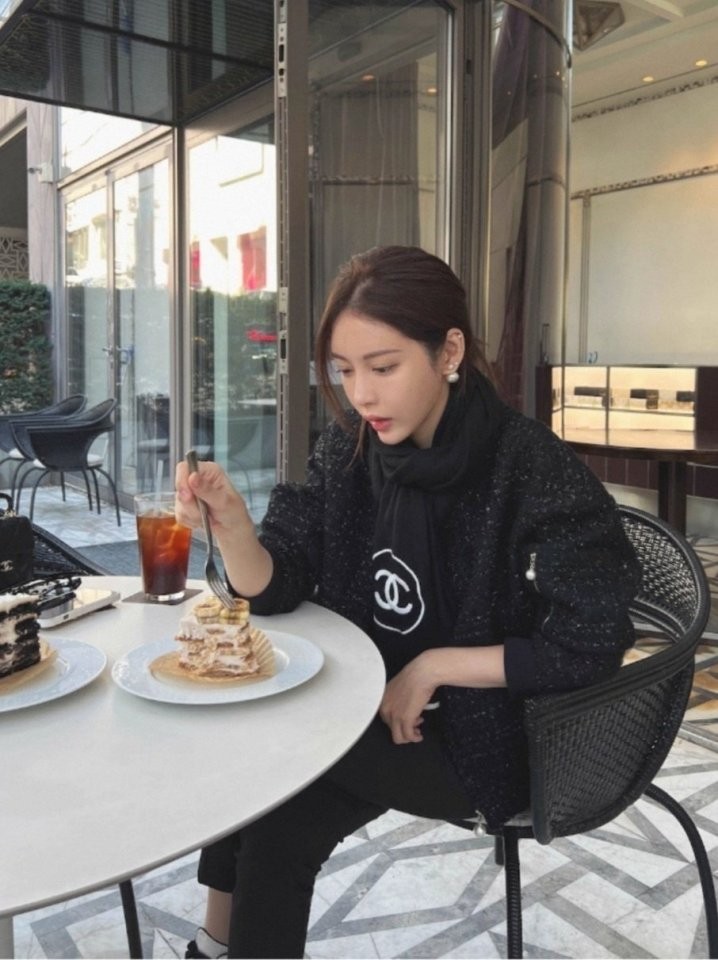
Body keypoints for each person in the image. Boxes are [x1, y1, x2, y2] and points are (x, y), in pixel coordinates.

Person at [175, 245, 641, 959]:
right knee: (270, 802)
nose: (361, 395)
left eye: (383, 367)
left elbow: (592, 640)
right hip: (366, 706)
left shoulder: (528, 467)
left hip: (488, 738)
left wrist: (434, 666)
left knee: (268, 766)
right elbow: (280, 581)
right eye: (344, 370)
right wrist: (233, 525)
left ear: (448, 351)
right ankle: (216, 946)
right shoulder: (351, 452)